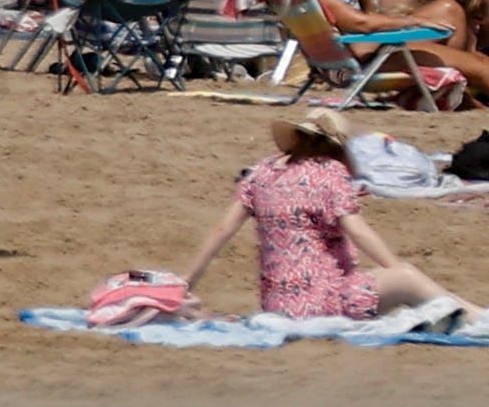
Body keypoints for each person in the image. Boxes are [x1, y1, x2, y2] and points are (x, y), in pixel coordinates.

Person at [178, 107, 463, 320]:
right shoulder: (329, 172)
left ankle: (456, 314)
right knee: (407, 278)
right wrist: (395, 269)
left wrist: (186, 283)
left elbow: (222, 230)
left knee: (401, 290)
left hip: (279, 306)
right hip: (326, 300)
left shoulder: (261, 172)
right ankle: (475, 317)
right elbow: (359, 231)